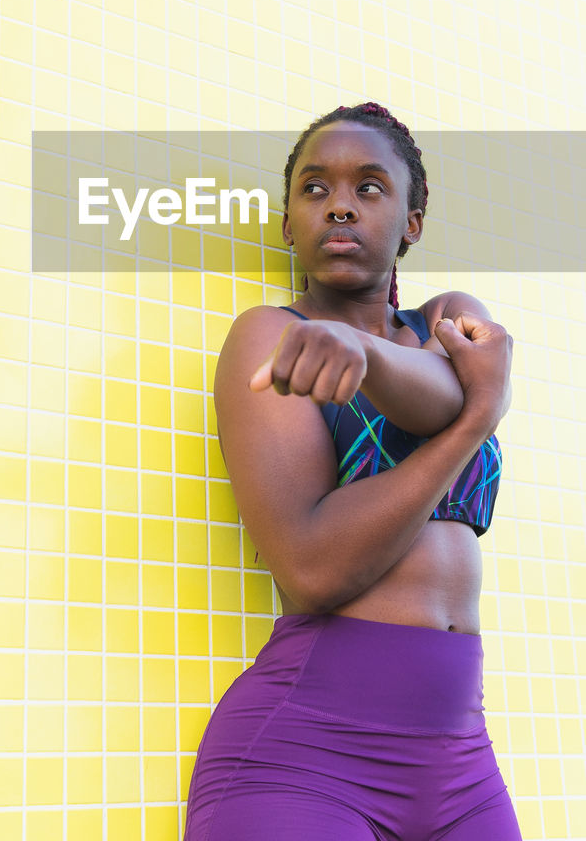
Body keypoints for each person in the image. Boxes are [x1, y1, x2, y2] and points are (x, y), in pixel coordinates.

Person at [182, 101, 522, 841]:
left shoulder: (447, 319)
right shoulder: (272, 338)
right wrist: (477, 418)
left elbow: (441, 398)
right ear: (286, 224)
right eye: (314, 189)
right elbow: (311, 570)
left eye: (368, 187)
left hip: (459, 765)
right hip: (305, 761)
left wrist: (372, 357)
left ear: (411, 223)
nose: (339, 204)